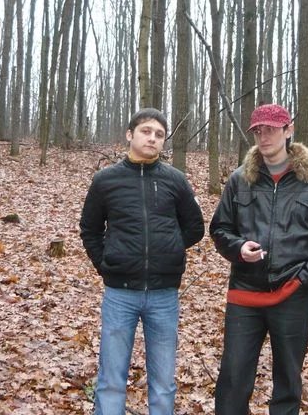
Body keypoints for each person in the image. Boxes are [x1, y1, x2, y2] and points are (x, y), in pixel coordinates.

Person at [210, 103, 308, 414]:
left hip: (292, 296)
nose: (263, 136)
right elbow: (219, 228)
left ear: (288, 131)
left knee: (287, 380)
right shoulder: (240, 179)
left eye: (271, 129)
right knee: (233, 378)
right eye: (258, 130)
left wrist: (305, 278)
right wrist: (238, 248)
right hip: (245, 295)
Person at [80, 108, 205, 415]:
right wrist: (106, 264)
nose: (152, 138)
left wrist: (169, 249)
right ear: (130, 135)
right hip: (119, 294)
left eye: (159, 134)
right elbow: (90, 230)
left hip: (164, 295)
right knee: (111, 379)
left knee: (163, 382)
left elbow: (195, 228)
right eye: (146, 131)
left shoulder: (175, 180)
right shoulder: (105, 180)